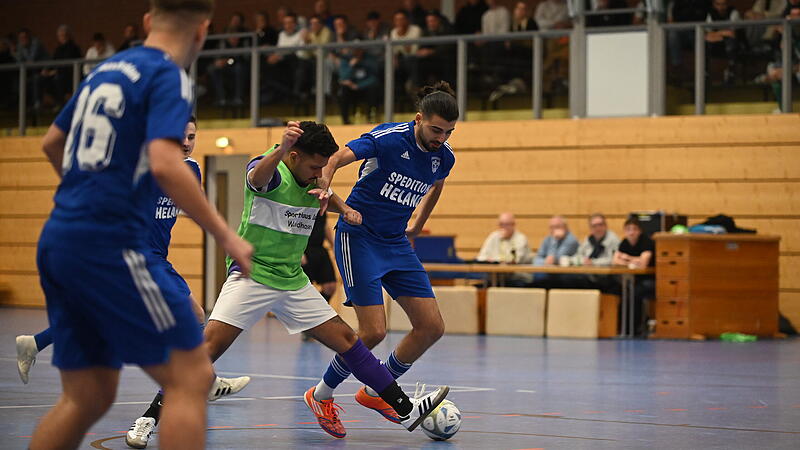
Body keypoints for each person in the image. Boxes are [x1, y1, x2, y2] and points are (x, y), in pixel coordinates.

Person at [27, 1, 253, 449]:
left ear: (148, 21)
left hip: (59, 239)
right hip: (111, 245)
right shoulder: (169, 76)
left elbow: (53, 143)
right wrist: (226, 235)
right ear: (202, 33)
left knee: (87, 396)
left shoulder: (105, 70)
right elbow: (169, 165)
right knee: (193, 376)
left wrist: (87, 196)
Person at [198, 120, 449, 439]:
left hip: (291, 280)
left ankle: (404, 409)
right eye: (316, 166)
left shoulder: (313, 181)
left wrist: (344, 208)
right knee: (206, 350)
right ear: (294, 156)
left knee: (351, 340)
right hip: (252, 276)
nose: (321, 173)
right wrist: (281, 148)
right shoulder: (272, 172)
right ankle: (150, 417)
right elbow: (256, 177)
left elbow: (326, 193)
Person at [309, 81, 458, 436]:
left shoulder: (444, 157)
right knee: (373, 331)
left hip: (397, 243)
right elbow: (337, 157)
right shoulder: (390, 138)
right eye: (436, 129)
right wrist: (326, 185)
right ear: (419, 118)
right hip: (358, 237)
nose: (441, 137)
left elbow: (436, 185)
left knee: (431, 327)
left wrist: (418, 225)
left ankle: (378, 389)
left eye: (449, 132)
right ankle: (321, 394)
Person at [613, 216, 655, 335]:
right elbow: (615, 261)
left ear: (639, 231)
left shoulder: (646, 242)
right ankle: (623, 327)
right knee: (623, 291)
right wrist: (633, 260)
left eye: (634, 229)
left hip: (648, 278)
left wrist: (627, 258)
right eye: (628, 229)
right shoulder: (624, 243)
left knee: (635, 293)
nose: (631, 232)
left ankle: (636, 327)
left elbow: (643, 263)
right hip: (632, 278)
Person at [476, 212, 533, 286]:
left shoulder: (520, 238)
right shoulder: (493, 236)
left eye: (506, 224)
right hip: (495, 276)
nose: (503, 227)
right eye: (501, 224)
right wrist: (490, 261)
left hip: (517, 277)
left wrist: (505, 242)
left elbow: (514, 260)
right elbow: (481, 257)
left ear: (513, 225)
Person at [532, 215, 579, 288]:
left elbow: (557, 258)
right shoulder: (547, 239)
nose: (554, 230)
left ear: (565, 227)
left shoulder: (571, 240)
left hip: (565, 272)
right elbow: (537, 259)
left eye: (557, 227)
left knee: (564, 279)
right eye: (551, 227)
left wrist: (555, 240)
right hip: (548, 271)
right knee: (538, 276)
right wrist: (545, 262)